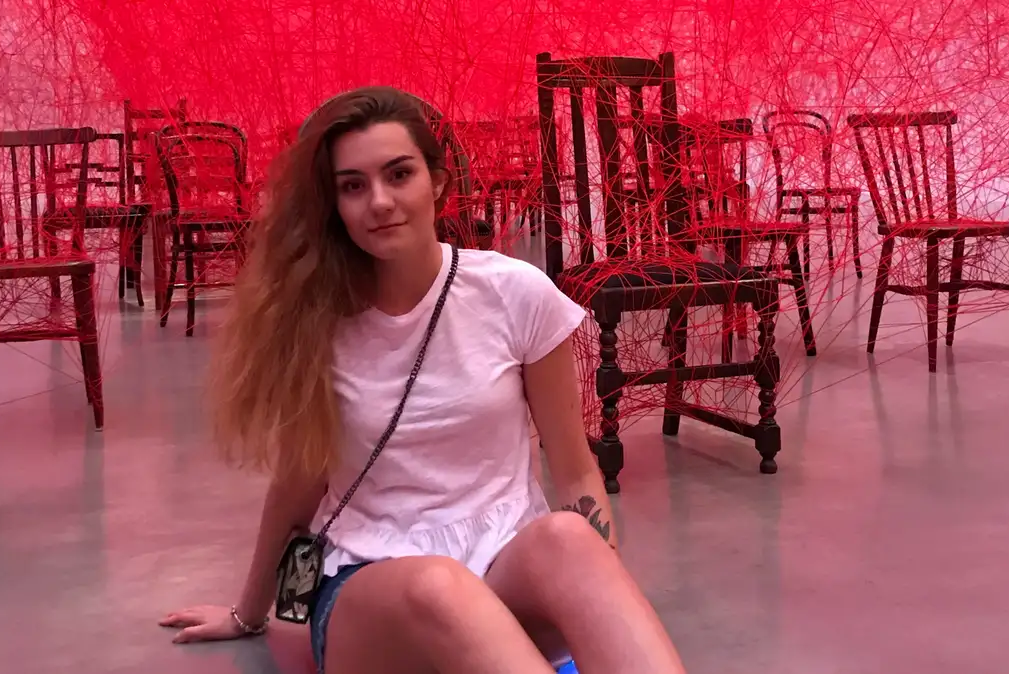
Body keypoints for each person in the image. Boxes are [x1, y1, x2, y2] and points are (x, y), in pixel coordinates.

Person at [158, 86, 687, 674]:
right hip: (370, 587)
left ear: (437, 181)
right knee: (440, 586)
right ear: (334, 205)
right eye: (353, 186)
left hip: (504, 566)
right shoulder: (318, 323)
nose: (380, 201)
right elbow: (297, 488)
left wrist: (590, 594)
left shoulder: (514, 294)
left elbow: (575, 467)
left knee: (569, 540)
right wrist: (249, 612)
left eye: (399, 174)